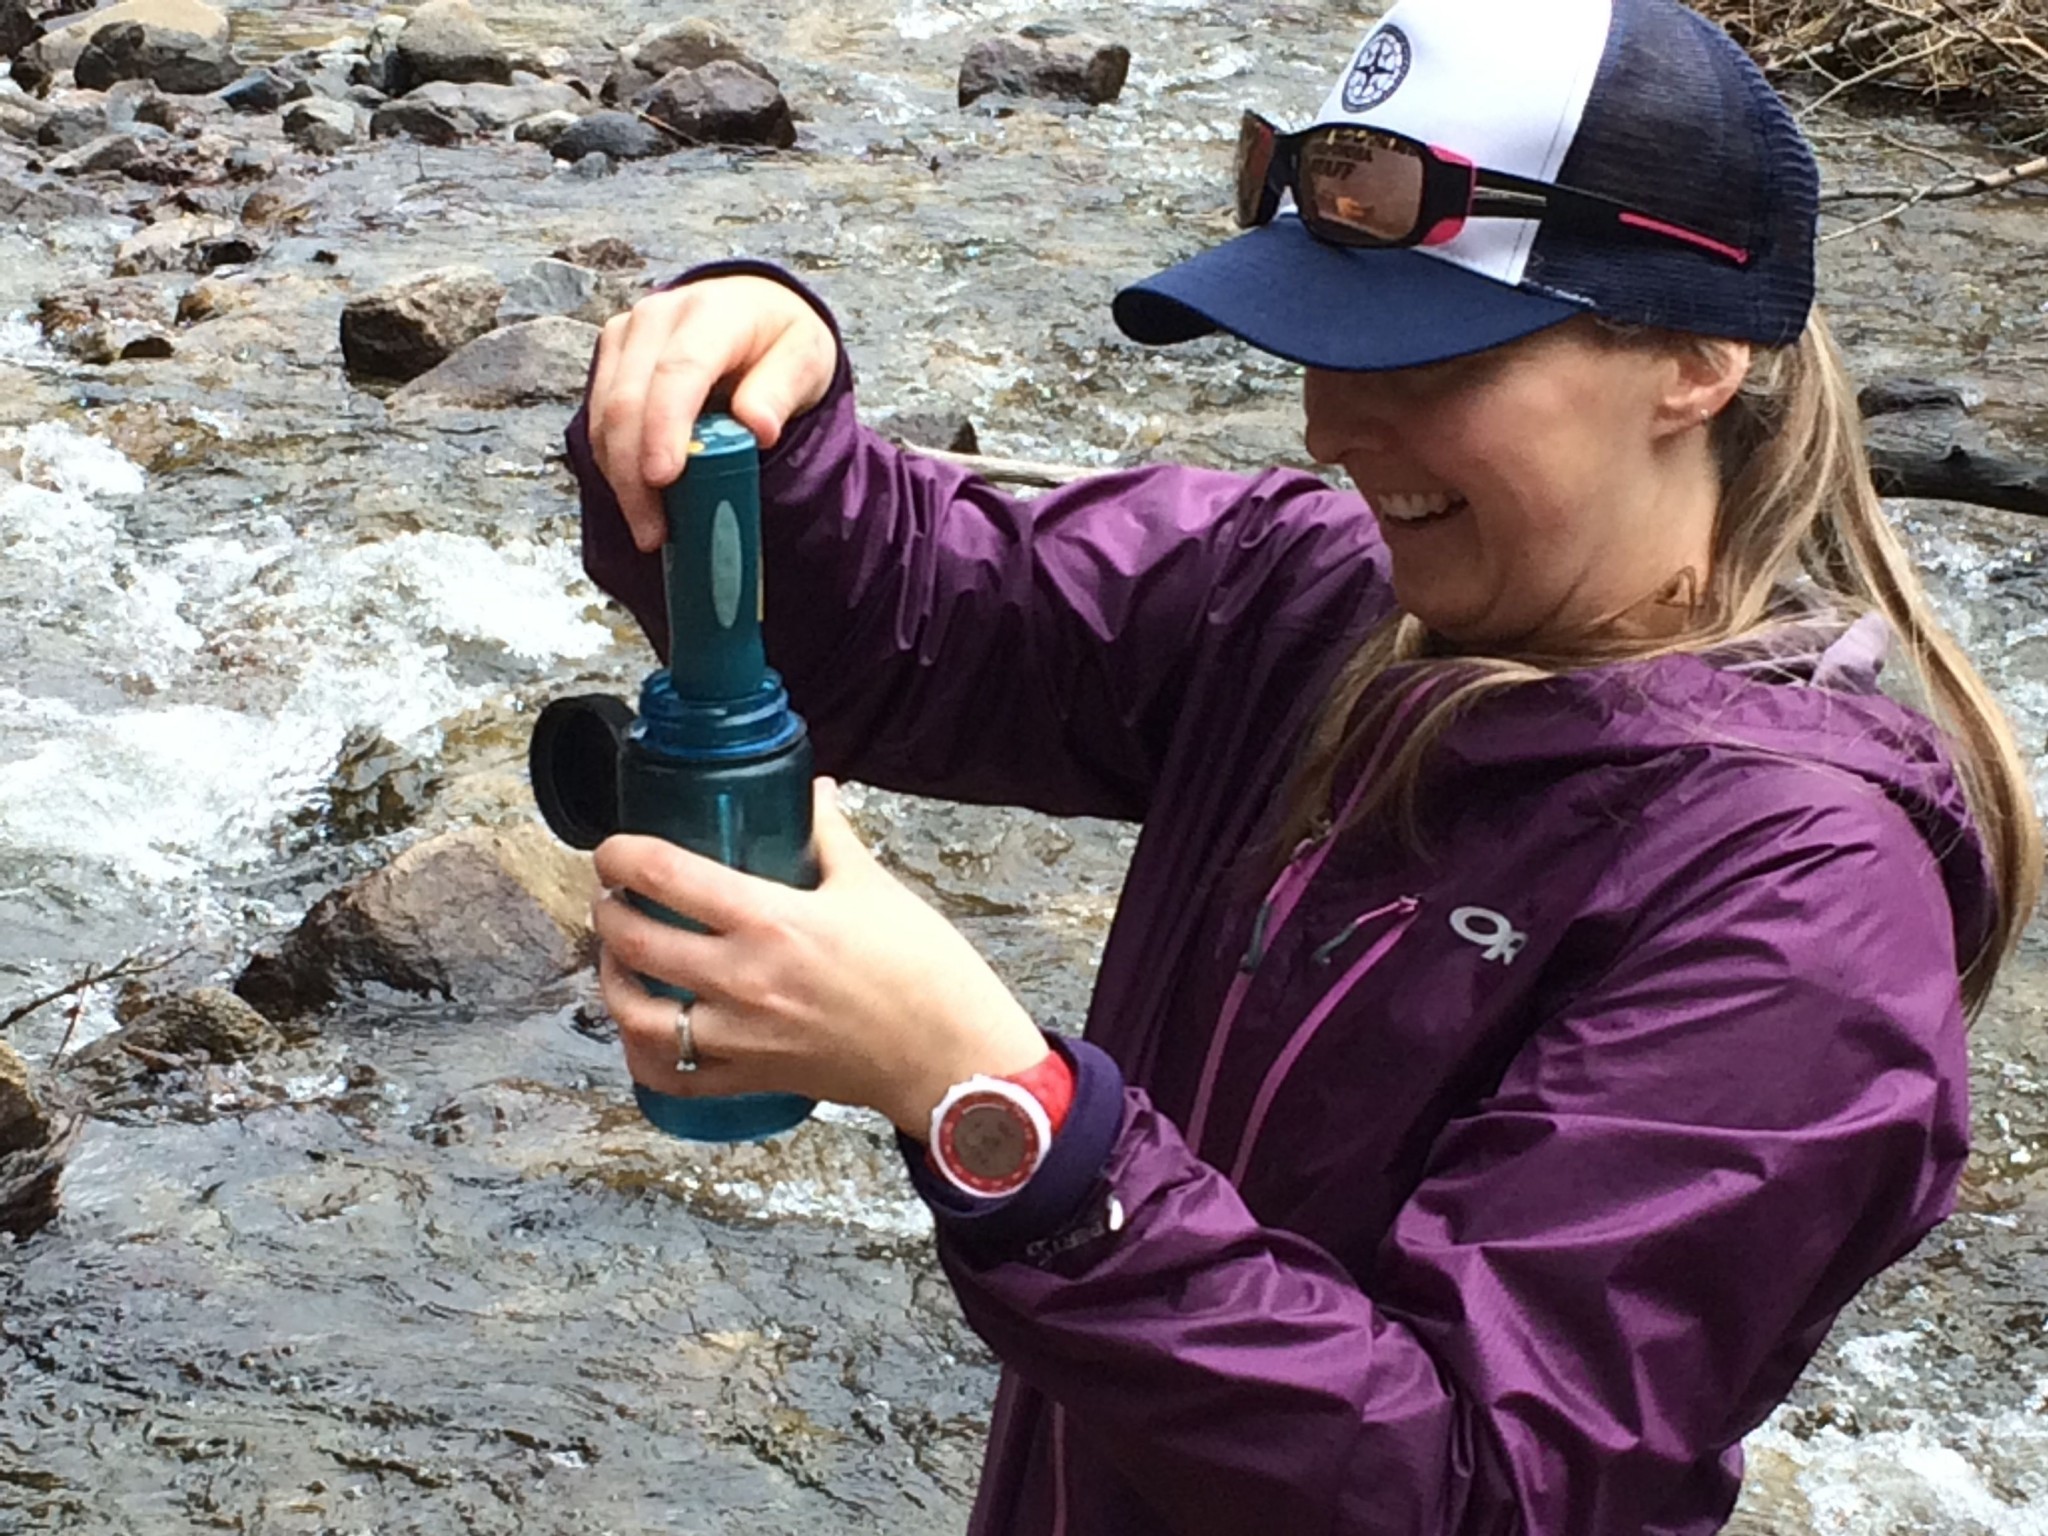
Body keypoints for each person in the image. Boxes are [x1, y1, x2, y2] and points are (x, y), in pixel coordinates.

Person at [566, 0, 2042, 1530]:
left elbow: (1477, 1488)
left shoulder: (1802, 901)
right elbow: (899, 625)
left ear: (1695, 356)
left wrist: (1001, 1113)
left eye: (1429, 358)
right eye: (1322, 343)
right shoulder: (1316, 597)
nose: (1333, 426)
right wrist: (759, 389)